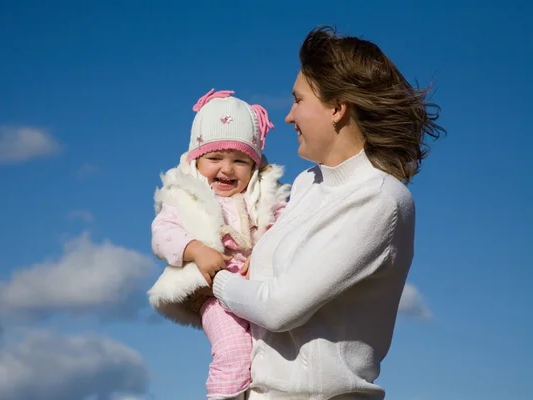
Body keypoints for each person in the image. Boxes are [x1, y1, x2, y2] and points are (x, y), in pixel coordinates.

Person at [206, 26, 446, 399]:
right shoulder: (305, 184)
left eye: (298, 100)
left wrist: (214, 279)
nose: (288, 116)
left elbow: (280, 307)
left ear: (337, 108)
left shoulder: (381, 200)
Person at [147, 89, 290, 400]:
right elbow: (162, 233)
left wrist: (267, 248)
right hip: (212, 292)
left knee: (268, 359)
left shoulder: (263, 198)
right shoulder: (186, 197)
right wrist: (196, 250)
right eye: (215, 158)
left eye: (239, 160)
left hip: (258, 292)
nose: (226, 169)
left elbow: (287, 227)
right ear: (196, 160)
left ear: (254, 167)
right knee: (234, 352)